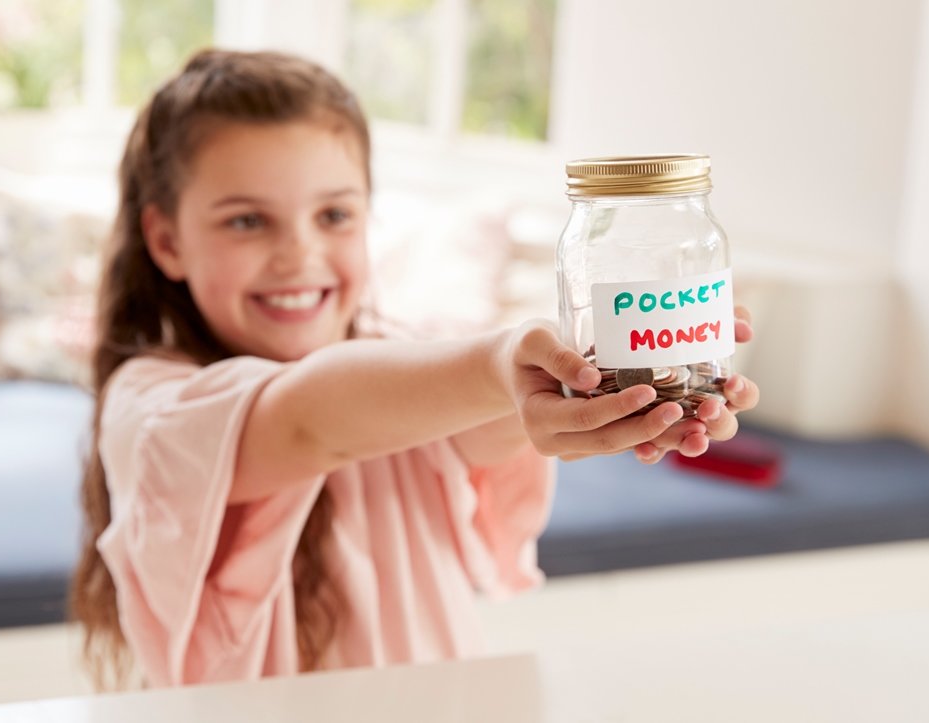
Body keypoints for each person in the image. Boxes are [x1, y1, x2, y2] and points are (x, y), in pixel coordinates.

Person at [71, 49, 760, 689]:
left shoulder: (413, 364)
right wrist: (498, 366)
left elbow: (488, 425)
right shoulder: (153, 405)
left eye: (334, 214)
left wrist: (595, 384)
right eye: (247, 221)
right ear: (167, 240)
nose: (298, 255)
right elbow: (311, 421)